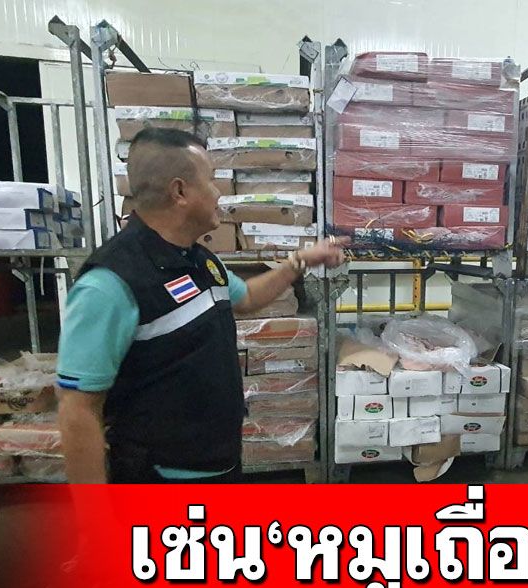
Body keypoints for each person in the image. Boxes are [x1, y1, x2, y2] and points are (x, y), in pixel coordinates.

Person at [55, 127, 343, 483]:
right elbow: (78, 410)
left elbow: (247, 297)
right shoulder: (110, 283)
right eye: (211, 179)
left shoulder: (199, 260)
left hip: (220, 464)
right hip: (160, 479)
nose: (218, 192)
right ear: (180, 191)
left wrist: (300, 261)